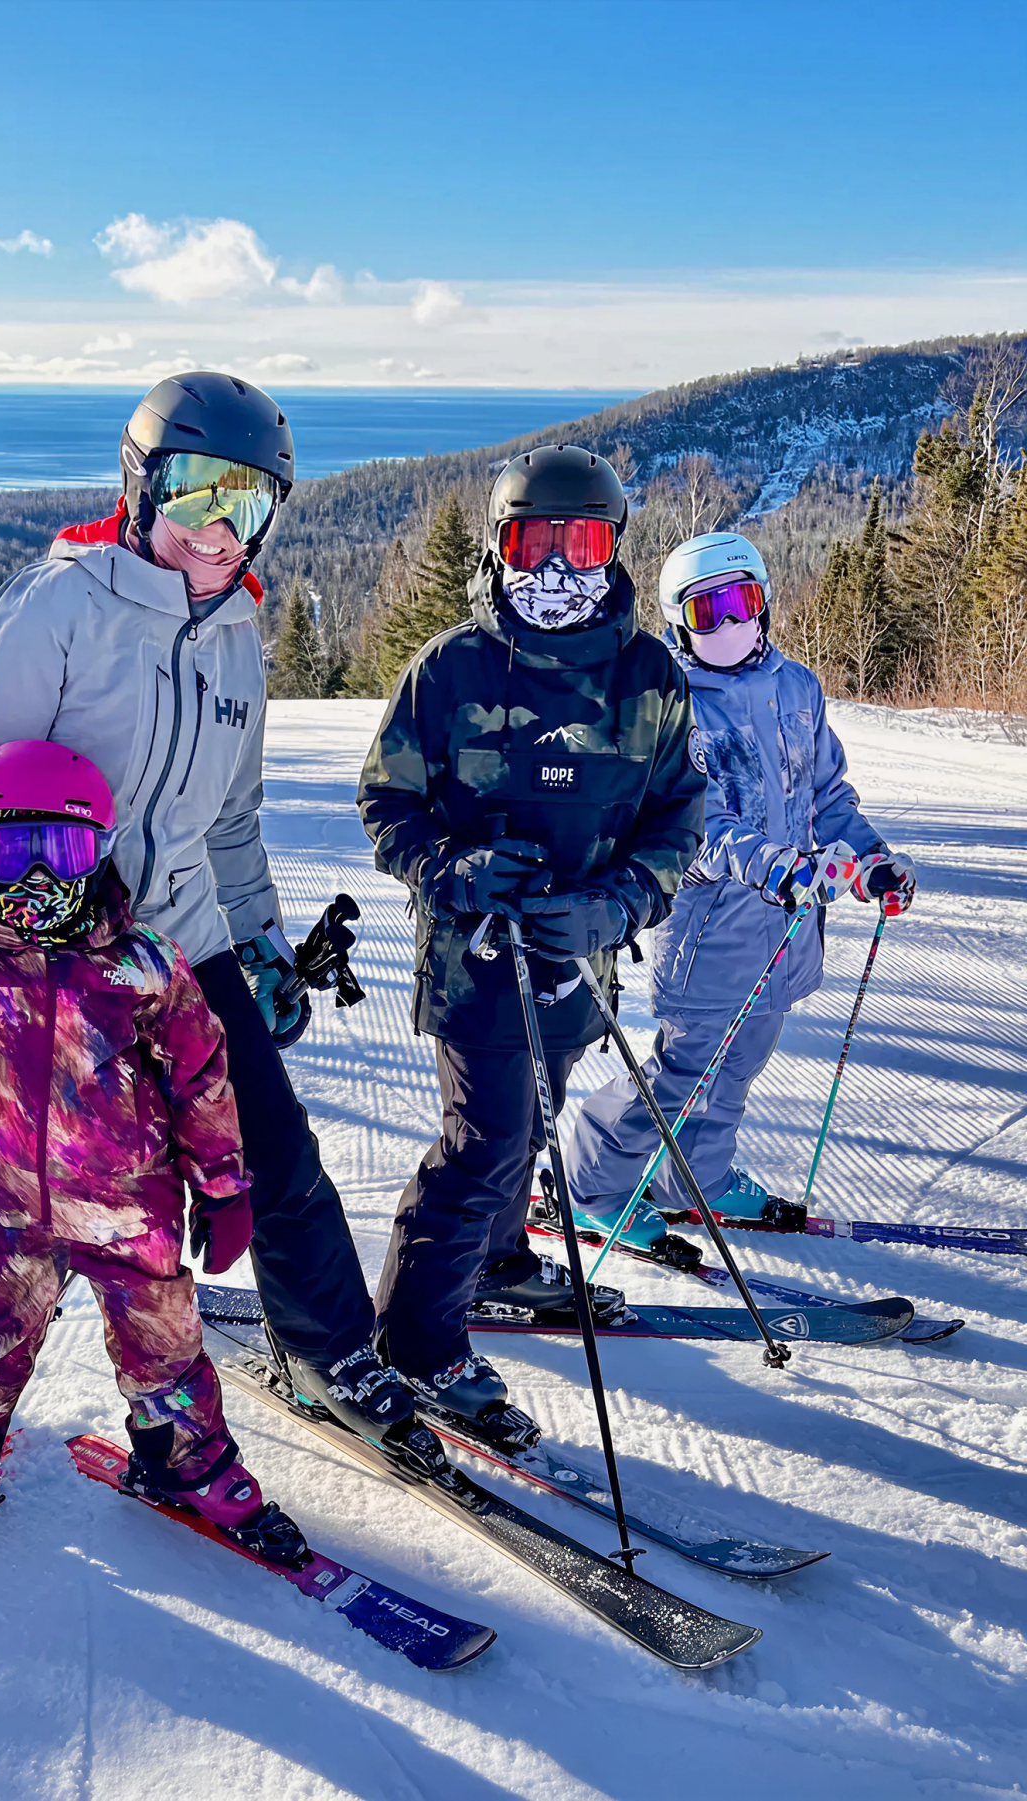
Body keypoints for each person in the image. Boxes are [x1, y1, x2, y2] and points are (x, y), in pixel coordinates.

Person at [0, 373, 439, 1510]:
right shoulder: (59, 609)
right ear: (141, 483)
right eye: (197, 495)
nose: (218, 531)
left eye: (248, 506)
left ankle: (336, 1350)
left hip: (182, 946)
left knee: (277, 1149)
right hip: (37, 940)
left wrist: (257, 945)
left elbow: (234, 823)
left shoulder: (241, 636)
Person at [0, 739, 308, 1587]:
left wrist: (224, 1188)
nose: (38, 883)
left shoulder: (143, 961)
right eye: (12, 852)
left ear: (99, 852)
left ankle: (183, 1460)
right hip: (1, 1209)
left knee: (166, 1346)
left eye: (64, 852)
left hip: (129, 1206)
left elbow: (203, 1073)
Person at [357, 446, 707, 1439]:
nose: (554, 570)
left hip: (580, 961)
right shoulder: (453, 668)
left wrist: (624, 903)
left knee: (534, 1121)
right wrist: (451, 869)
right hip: (475, 961)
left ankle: (499, 1258)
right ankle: (414, 1345)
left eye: (579, 542)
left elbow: (679, 818)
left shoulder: (648, 678)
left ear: (612, 549)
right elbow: (386, 800)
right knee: (483, 1142)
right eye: (532, 542)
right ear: (501, 547)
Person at [564, 531, 917, 1256]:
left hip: (787, 926)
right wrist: (771, 864)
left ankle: (696, 1175)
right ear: (678, 621)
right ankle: (595, 1182)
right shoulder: (675, 702)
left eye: (742, 603)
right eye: (708, 610)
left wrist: (872, 859)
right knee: (684, 1067)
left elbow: (826, 795)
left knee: (744, 1057)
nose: (729, 625)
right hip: (711, 925)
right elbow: (695, 823)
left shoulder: (797, 689)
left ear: (765, 605)